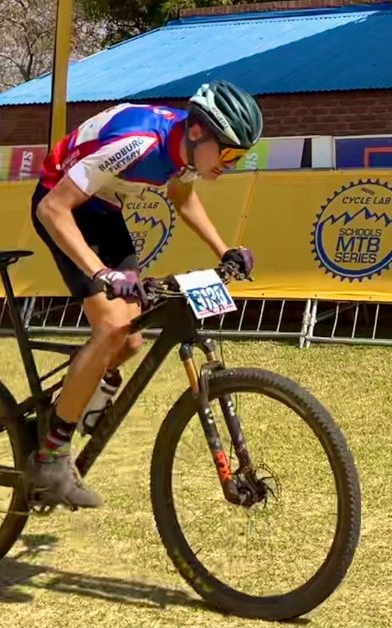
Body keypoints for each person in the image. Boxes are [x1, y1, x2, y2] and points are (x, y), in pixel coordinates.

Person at [25, 80, 261, 509]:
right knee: (112, 327)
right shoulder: (139, 143)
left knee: (130, 339)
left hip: (104, 209)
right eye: (227, 154)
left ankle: (73, 397)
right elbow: (51, 208)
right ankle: (50, 456)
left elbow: (182, 198)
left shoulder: (188, 148)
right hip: (63, 206)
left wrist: (223, 249)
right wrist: (101, 273)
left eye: (239, 158)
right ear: (197, 132)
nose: (229, 166)